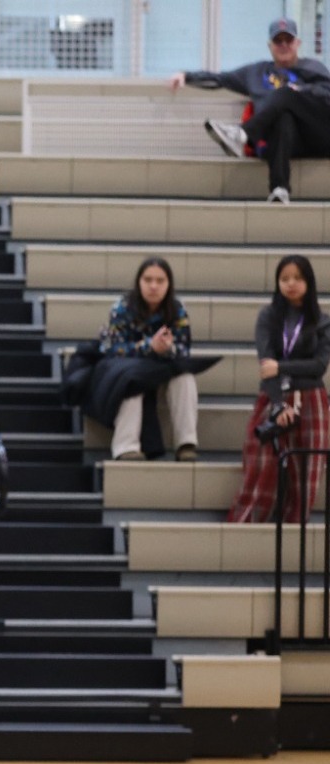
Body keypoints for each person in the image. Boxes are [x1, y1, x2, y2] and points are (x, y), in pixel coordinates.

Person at [174, 17, 330, 205]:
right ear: (269, 45)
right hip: (284, 142)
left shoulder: (313, 67)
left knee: (286, 94)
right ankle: (279, 189)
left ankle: (242, 134)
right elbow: (220, 79)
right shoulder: (256, 73)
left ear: (297, 43)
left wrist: (300, 91)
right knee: (283, 118)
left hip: (319, 136)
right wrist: (186, 75)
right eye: (278, 41)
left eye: (288, 40)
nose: (283, 45)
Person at [229, 255, 330, 523]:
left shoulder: (322, 321)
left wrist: (282, 367)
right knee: (260, 462)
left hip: (312, 400)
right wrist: (277, 405)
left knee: (308, 471)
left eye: (297, 278)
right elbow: (266, 364)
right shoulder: (269, 316)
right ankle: (248, 525)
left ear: (309, 282)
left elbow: (319, 366)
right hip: (274, 395)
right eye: (284, 279)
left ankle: (294, 530)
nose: (291, 284)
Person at [86, 257, 199, 462]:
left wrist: (168, 348)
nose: (153, 286)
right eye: (148, 280)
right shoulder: (122, 308)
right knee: (132, 380)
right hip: (126, 369)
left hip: (160, 367)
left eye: (160, 281)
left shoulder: (177, 309)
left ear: (169, 284)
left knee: (185, 377)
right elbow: (113, 350)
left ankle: (186, 444)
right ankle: (126, 447)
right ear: (139, 282)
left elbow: (184, 351)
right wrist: (149, 347)